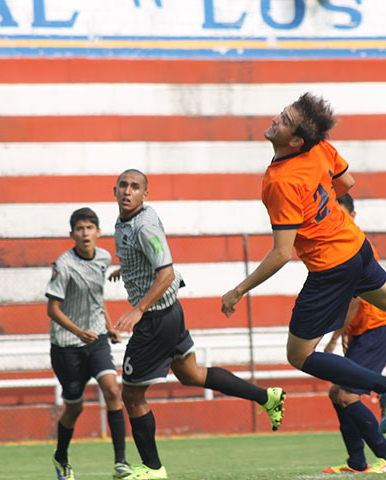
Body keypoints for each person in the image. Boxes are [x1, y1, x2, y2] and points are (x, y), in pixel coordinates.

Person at [220, 92, 386, 436]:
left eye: (284, 119)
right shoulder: (319, 148)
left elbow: (281, 253)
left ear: (295, 140)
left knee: (299, 355)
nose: (275, 119)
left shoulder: (281, 181)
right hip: (356, 245)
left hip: (331, 266)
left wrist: (239, 290)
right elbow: (347, 184)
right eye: (282, 113)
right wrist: (320, 198)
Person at [110, 169, 286, 480]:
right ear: (115, 190)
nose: (127, 191)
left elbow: (166, 273)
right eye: (123, 185)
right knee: (191, 374)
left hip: (155, 319)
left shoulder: (144, 225)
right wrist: (125, 267)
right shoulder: (125, 221)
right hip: (170, 313)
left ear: (145, 194)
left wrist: (138, 309)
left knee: (132, 396)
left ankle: (153, 469)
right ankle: (266, 397)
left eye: (135, 187)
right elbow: (146, 258)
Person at [45, 207, 132, 480]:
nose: (85, 233)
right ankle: (61, 458)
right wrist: (78, 331)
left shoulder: (104, 257)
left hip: (96, 339)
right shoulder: (63, 265)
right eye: (80, 229)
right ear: (72, 234)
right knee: (75, 407)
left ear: (98, 232)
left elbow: (96, 297)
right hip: (67, 346)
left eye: (89, 228)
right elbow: (52, 309)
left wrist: (108, 327)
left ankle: (121, 463)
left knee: (112, 390)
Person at [322, 194, 386, 474]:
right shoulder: (340, 245)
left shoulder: (354, 245)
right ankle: (357, 462)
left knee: (348, 396)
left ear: (353, 216)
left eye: (341, 213)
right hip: (362, 330)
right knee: (337, 393)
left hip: (375, 328)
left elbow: (355, 300)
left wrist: (335, 337)